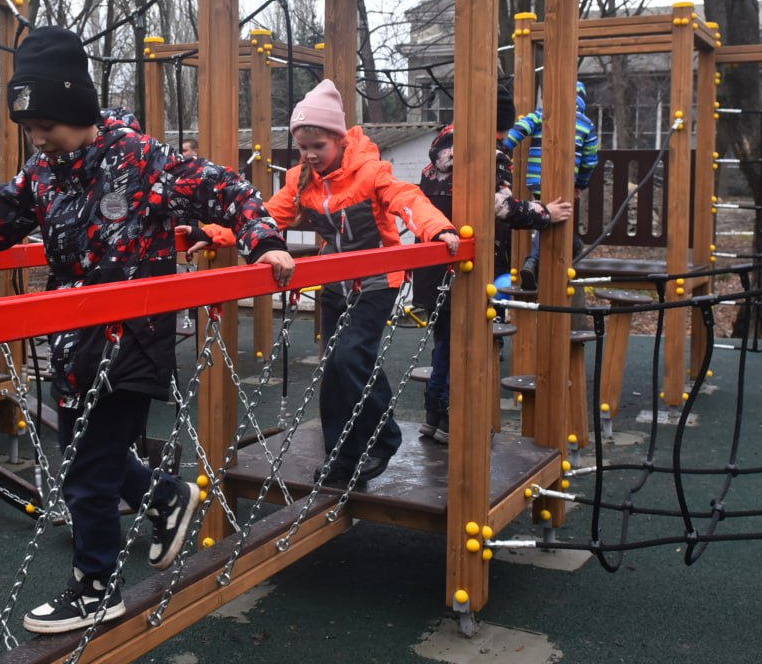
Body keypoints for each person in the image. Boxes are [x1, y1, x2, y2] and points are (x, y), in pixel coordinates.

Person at [0, 25, 294, 635]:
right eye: (31, 130)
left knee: (89, 467)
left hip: (134, 333)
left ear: (78, 109)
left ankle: (96, 585)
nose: (40, 139)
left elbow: (227, 191)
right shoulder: (43, 173)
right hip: (75, 332)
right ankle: (167, 497)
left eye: (49, 125)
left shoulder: (142, 162)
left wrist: (264, 242)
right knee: (82, 449)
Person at [187, 79, 458, 487]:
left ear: (340, 139)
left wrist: (436, 230)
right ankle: (342, 456)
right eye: (303, 148)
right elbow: (263, 218)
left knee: (352, 357)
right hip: (333, 283)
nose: (311, 155)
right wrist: (213, 232)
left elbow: (408, 198)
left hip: (375, 282)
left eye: (319, 146)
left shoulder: (370, 173)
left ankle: (383, 438)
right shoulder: (300, 181)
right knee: (334, 368)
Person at [413, 86, 572, 444]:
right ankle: (456, 419)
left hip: (431, 265)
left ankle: (435, 415)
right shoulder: (489, 153)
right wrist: (546, 213)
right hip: (467, 267)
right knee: (469, 345)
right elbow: (502, 207)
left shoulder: (434, 157)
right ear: (501, 124)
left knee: (445, 342)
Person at [500, 80, 599, 290]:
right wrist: (580, 183)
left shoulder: (541, 113)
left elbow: (520, 128)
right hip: (565, 180)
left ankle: (569, 246)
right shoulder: (586, 124)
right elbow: (590, 159)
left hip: (537, 178)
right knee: (554, 216)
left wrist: (502, 149)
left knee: (549, 215)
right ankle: (534, 260)